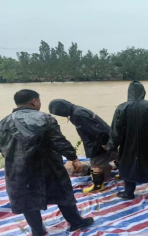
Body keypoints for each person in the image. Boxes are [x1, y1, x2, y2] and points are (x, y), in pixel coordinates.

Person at [0, 90, 93, 236]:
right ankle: (76, 222)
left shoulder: (3, 122)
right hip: (48, 167)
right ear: (34, 101)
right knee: (63, 193)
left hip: (17, 170)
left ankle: (38, 231)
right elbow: (59, 142)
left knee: (27, 200)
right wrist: (73, 158)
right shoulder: (45, 118)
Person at [108, 81, 148, 200]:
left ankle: (129, 192)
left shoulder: (122, 107)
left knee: (128, 165)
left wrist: (111, 146)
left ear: (129, 92)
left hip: (128, 143)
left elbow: (115, 130)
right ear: (143, 92)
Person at [49, 99, 119, 193]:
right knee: (117, 156)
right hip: (104, 136)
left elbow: (96, 129)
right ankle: (126, 174)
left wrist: (104, 143)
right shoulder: (76, 111)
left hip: (99, 140)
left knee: (96, 163)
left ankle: (98, 185)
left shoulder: (78, 115)